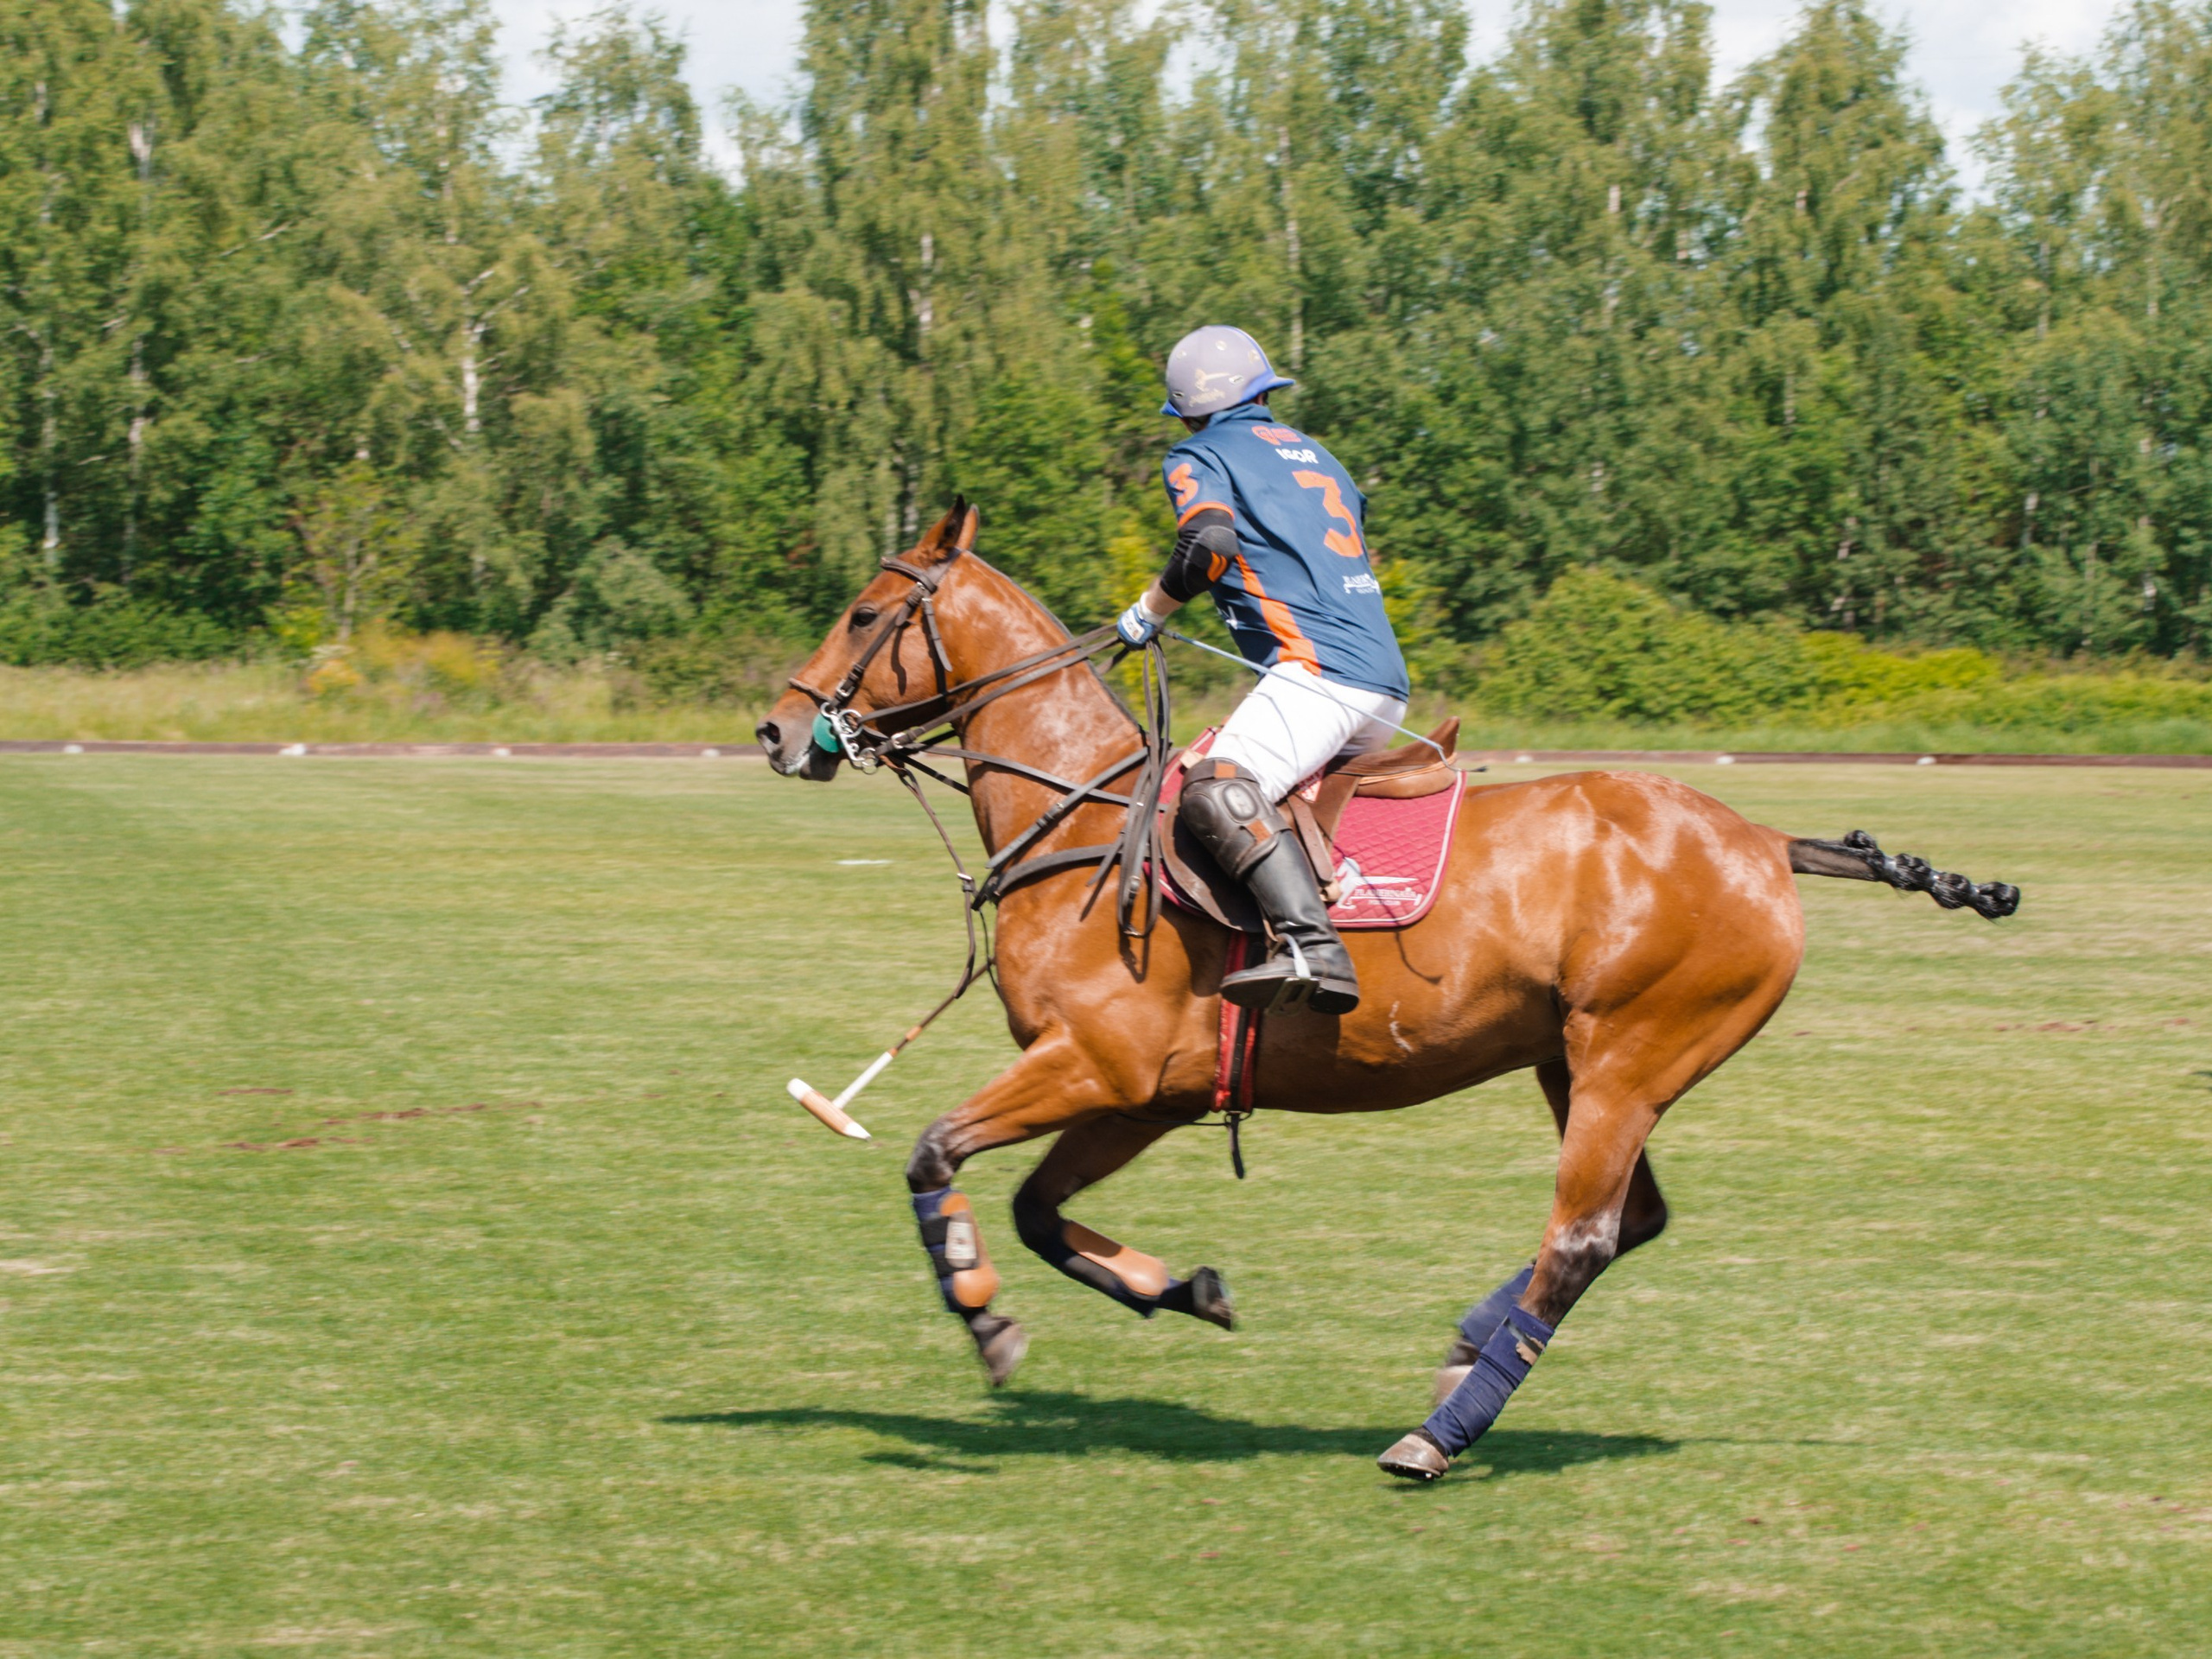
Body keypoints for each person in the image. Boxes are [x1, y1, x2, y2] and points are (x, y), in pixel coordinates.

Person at [1116, 325, 1411, 1015]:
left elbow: (1209, 543)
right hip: (1383, 680)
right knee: (1260, 791)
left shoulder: (1198, 455)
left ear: (1189, 406)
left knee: (1215, 787)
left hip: (1321, 674)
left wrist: (1150, 611)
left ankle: (1314, 946)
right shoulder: (1320, 454)